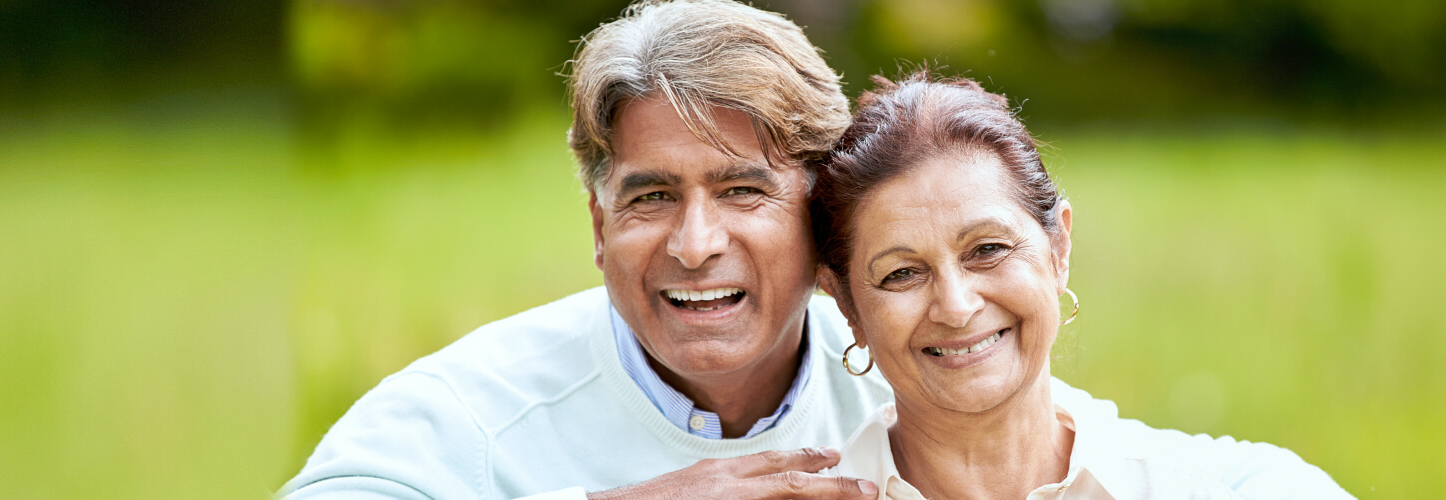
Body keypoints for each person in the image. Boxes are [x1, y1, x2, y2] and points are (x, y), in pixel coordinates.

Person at [278, 1, 893, 499]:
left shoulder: (911, 378)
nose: (695, 245)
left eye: (740, 191)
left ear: (822, 218)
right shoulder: (466, 414)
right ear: (601, 229)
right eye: (652, 197)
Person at [807, 71, 1354, 499]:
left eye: (988, 250)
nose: (955, 305)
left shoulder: (1221, 489)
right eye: (902, 273)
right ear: (848, 304)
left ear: (1058, 248)